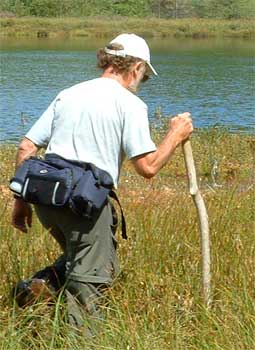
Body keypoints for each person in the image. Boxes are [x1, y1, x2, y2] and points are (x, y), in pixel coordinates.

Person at [11, 33, 193, 334]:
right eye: (144, 76)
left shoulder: (68, 93)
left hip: (46, 200)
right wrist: (176, 134)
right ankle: (81, 337)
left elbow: (26, 147)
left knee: (91, 261)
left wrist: (21, 202)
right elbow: (147, 167)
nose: (141, 82)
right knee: (91, 282)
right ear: (135, 68)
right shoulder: (130, 104)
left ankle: (39, 287)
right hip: (84, 204)